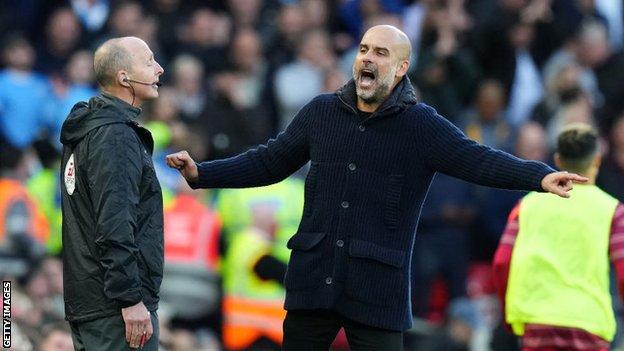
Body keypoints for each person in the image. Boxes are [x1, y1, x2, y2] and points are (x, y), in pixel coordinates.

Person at [166, 25, 586, 350]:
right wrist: (204, 174)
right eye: (364, 49)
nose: (367, 58)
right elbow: (269, 160)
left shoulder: (422, 125)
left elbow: (478, 159)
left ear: (401, 68)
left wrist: (538, 176)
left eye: (380, 53)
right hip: (313, 278)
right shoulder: (321, 111)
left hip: (377, 288)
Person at [59, 36, 164, 351]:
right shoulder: (116, 136)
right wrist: (130, 299)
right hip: (116, 309)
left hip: (91, 302)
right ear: (123, 77)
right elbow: (114, 224)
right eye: (149, 62)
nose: (159, 69)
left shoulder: (88, 128)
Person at [493, 123, 624, 351]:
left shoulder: (526, 206)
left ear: (558, 160)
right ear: (597, 160)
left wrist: (508, 314)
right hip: (589, 325)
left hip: (537, 322)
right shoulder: (613, 210)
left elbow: (501, 262)